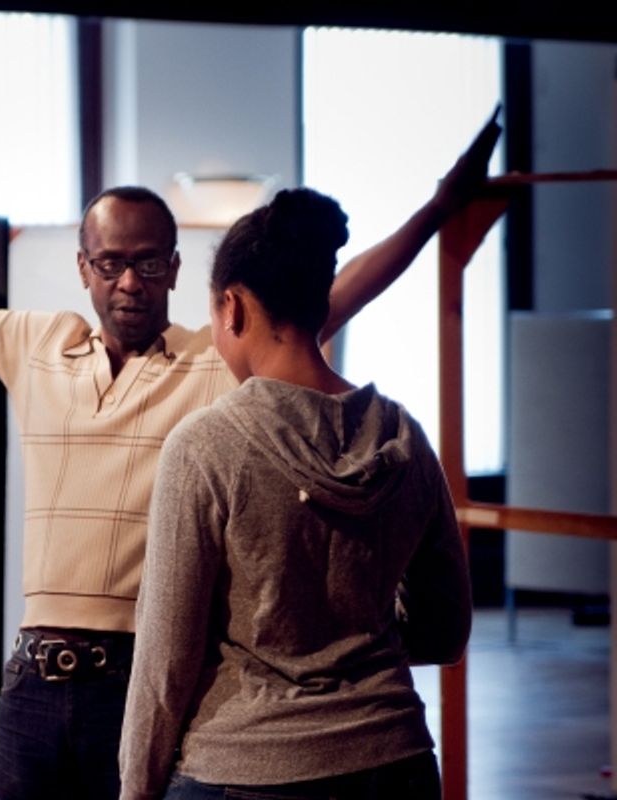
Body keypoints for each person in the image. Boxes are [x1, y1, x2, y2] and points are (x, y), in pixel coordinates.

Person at [0, 109, 498, 800]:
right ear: (84, 269)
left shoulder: (214, 360)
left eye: (147, 263)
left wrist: (437, 209)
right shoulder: (36, 345)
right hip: (34, 689)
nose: (129, 281)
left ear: (176, 270)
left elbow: (325, 296)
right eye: (110, 263)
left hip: (145, 681)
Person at [117, 188, 472, 800]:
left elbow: (165, 661)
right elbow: (445, 631)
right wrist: (354, 641)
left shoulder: (207, 445)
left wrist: (135, 790)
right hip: (396, 761)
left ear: (232, 309)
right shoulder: (402, 436)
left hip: (245, 767)